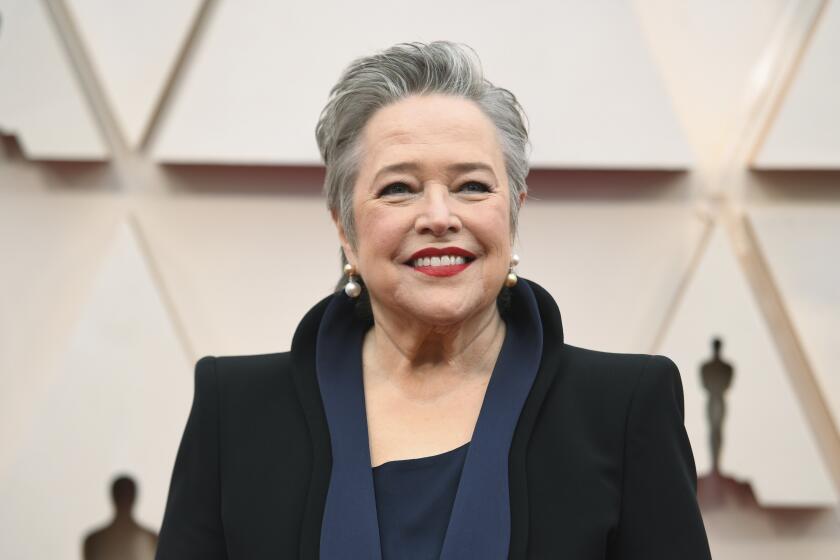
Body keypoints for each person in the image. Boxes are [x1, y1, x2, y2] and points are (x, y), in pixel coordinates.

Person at [155, 41, 711, 559]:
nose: (440, 217)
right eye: (399, 188)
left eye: (472, 186)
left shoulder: (624, 406)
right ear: (344, 228)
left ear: (512, 212)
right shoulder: (234, 412)